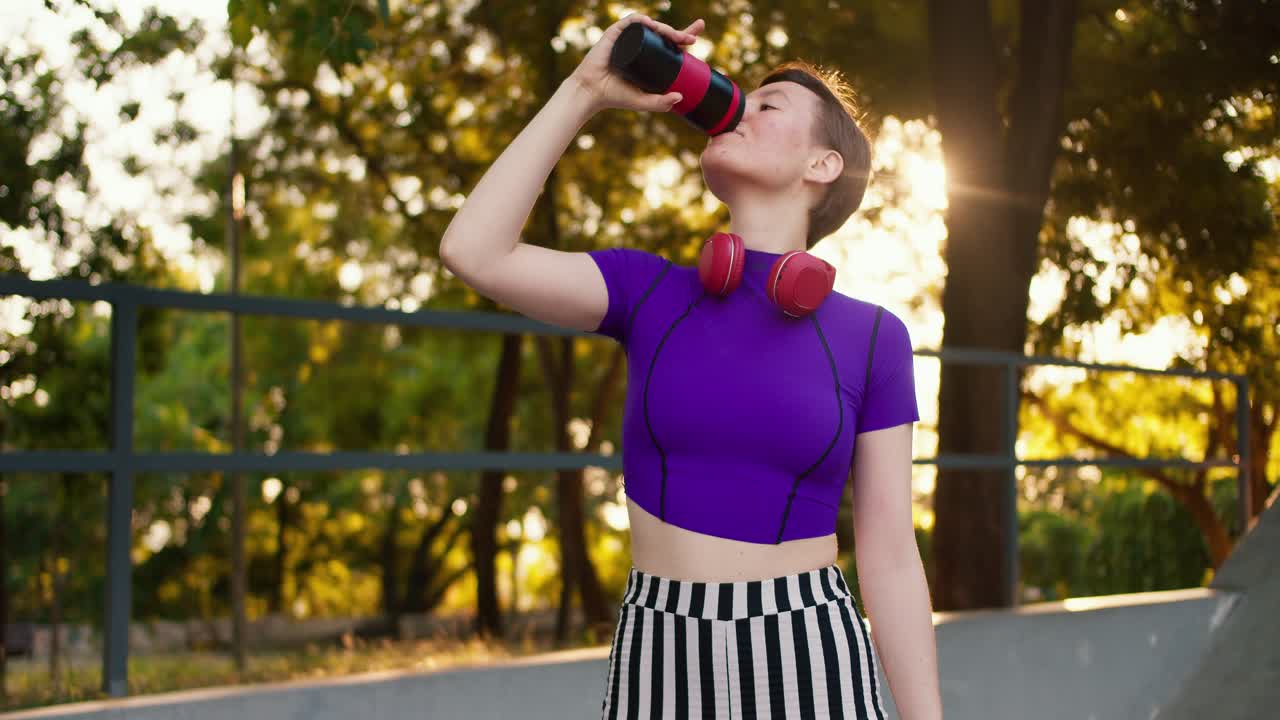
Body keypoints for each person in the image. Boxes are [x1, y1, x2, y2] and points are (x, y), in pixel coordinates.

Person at [439, 12, 941, 720]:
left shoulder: (872, 337)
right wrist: (585, 88)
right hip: (658, 645)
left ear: (821, 166)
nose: (735, 112)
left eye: (768, 106)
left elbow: (889, 556)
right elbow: (474, 252)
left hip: (807, 645)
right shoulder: (647, 292)